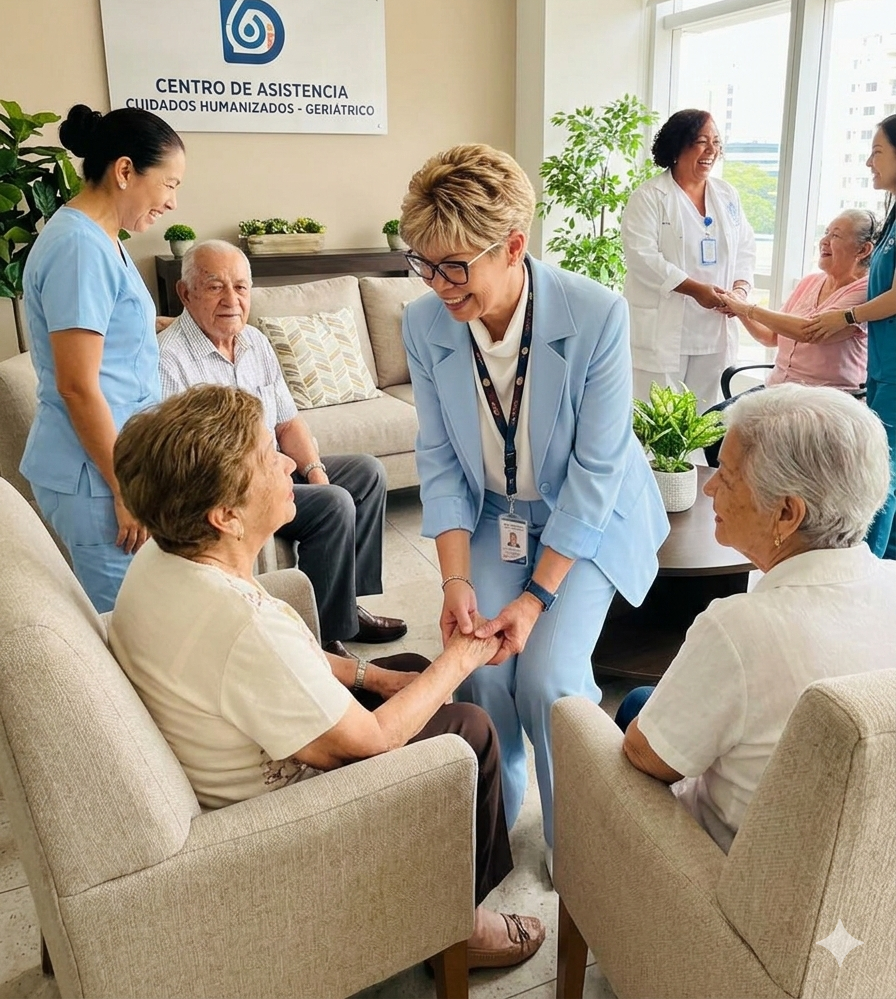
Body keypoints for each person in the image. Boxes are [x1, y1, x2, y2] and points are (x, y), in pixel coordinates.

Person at [108, 385, 545, 971]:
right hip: (292, 822)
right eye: (268, 458)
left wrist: (372, 676)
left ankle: (443, 890)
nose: (289, 461)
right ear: (225, 515)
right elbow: (373, 742)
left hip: (248, 735)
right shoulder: (242, 626)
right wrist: (465, 655)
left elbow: (285, 664)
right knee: (470, 731)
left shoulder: (169, 558)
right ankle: (452, 922)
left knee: (409, 672)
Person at [399, 143, 669, 860]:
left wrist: (535, 599)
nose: (437, 285)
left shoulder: (596, 315)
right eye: (422, 263)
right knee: (478, 660)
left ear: (513, 246)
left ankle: (575, 840)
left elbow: (596, 470)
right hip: (495, 515)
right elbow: (440, 460)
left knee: (548, 677)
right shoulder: (425, 324)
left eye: (453, 266)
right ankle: (496, 826)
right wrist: (456, 579)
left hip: (588, 517)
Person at [614, 384, 896, 851]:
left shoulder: (739, 629)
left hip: (732, 874)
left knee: (634, 715)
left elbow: (648, 757)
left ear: (786, 513)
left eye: (725, 474)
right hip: (866, 862)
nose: (708, 487)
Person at [158, 239, 406, 655]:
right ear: (185, 294)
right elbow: (186, 462)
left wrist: (314, 470)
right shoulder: (171, 360)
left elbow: (287, 421)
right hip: (231, 491)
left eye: (240, 287)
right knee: (334, 505)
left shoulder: (254, 342)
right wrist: (289, 481)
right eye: (216, 287)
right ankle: (324, 639)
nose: (231, 299)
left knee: (366, 473)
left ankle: (346, 606)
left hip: (272, 466)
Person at [20, 104, 185, 613]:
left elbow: (107, 330)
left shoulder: (100, 239)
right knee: (131, 629)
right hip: (95, 477)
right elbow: (77, 384)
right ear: (125, 170)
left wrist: (169, 324)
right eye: (170, 184)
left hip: (108, 467)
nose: (172, 203)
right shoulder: (79, 248)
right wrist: (124, 487)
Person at [699, 209, 876, 467]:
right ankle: (734, 498)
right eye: (825, 232)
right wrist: (737, 307)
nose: (824, 241)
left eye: (836, 235)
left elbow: (808, 331)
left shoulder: (865, 292)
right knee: (711, 427)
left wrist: (746, 308)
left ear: (864, 250)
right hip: (778, 389)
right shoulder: (810, 282)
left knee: (750, 449)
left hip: (821, 399)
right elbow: (770, 336)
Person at [621, 109, 756, 412]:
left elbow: (745, 247)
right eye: (702, 141)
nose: (712, 150)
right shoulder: (649, 196)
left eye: (717, 142)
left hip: (714, 328)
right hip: (665, 331)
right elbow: (642, 257)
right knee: (658, 422)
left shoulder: (727, 194)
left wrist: (741, 289)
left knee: (706, 419)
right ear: (679, 145)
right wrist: (697, 290)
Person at [806, 115, 896, 560]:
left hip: (892, 364)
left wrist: (849, 315)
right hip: (882, 363)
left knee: (885, 472)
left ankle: (871, 567)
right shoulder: (892, 215)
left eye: (878, 151)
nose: (868, 161)